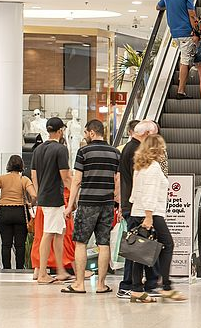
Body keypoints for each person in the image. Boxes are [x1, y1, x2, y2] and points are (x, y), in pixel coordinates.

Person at [60, 120, 120, 294]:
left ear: (92, 133)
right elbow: (117, 180)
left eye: (86, 132)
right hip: (107, 204)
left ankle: (79, 284)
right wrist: (119, 202)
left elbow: (77, 181)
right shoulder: (115, 152)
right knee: (104, 243)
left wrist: (70, 206)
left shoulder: (83, 152)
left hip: (87, 204)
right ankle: (101, 285)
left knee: (80, 242)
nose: (85, 135)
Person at [129, 135, 186, 303]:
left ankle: (137, 289)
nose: (164, 151)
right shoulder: (153, 167)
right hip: (151, 213)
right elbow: (150, 193)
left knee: (139, 252)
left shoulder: (140, 166)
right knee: (168, 245)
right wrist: (148, 217)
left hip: (139, 211)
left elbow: (134, 194)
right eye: (162, 147)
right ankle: (166, 286)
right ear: (156, 148)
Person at [117, 120, 160, 298]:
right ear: (147, 134)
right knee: (135, 246)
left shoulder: (129, 148)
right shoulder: (135, 150)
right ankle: (128, 284)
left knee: (142, 244)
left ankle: (147, 283)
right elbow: (140, 182)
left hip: (133, 204)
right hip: (137, 206)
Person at [31, 117, 73, 284]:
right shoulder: (61, 149)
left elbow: (33, 175)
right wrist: (75, 196)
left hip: (44, 197)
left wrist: (38, 193)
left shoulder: (38, 149)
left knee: (59, 233)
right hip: (55, 198)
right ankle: (42, 274)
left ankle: (61, 270)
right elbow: (66, 177)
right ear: (61, 130)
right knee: (49, 234)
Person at [0, 155, 36, 269]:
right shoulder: (24, 179)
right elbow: (34, 195)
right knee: (20, 245)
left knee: (6, 244)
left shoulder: (2, 178)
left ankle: (6, 269)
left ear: (9, 165)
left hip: (4, 212)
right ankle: (20, 269)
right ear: (22, 166)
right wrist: (31, 204)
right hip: (19, 213)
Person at [156, 0, 199, 100]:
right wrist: (196, 31)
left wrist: (170, 7)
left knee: (185, 58)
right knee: (185, 61)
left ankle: (189, 75)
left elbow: (158, 7)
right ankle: (181, 91)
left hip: (174, 33)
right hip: (186, 32)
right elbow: (192, 14)